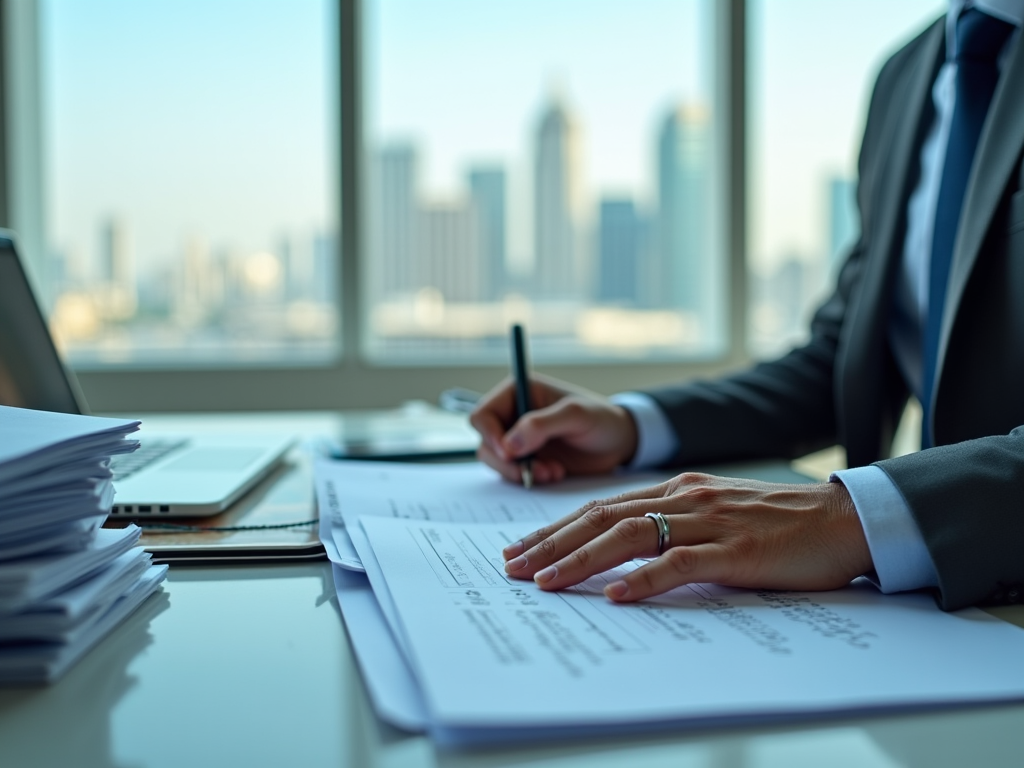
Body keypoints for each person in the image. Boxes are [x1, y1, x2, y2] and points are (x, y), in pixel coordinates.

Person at [470, 0, 1024, 612]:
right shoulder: (907, 72)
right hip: (948, 620)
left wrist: (857, 518)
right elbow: (844, 360)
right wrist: (631, 426)